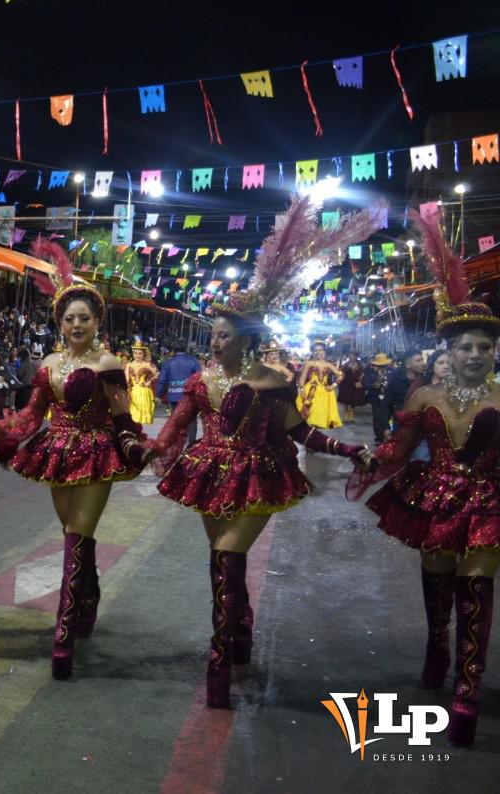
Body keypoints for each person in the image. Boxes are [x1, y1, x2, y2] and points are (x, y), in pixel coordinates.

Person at [149, 196, 377, 710]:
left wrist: (347, 449)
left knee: (229, 559)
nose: (215, 342)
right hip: (206, 473)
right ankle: (241, 631)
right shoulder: (202, 379)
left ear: (245, 338)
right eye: (213, 334)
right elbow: (177, 427)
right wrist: (146, 448)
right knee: (221, 563)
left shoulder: (271, 380)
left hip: (256, 475)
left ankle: (218, 664)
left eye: (223, 335)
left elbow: (300, 433)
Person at [351, 211, 500, 747]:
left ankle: (468, 686)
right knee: (439, 588)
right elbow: (399, 447)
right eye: (467, 347)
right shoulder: (425, 396)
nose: (477, 355)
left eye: (486, 347)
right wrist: (372, 457)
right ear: (449, 352)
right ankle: (438, 649)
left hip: (488, 503)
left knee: (476, 588)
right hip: (434, 500)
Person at [0, 237, 148, 679]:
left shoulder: (109, 362)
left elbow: (122, 415)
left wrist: (131, 446)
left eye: (84, 318)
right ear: (60, 322)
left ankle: (64, 633)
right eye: (69, 317)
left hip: (96, 452)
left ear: (96, 322)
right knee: (73, 533)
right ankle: (87, 597)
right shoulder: (48, 363)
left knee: (76, 535)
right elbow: (34, 414)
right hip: (56, 451)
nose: (76, 324)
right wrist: (4, 429)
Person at [156, 343, 201, 443]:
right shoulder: (193, 361)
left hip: (173, 395)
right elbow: (199, 378)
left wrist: (159, 394)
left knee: (175, 420)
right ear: (186, 349)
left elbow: (162, 380)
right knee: (192, 420)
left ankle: (177, 443)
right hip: (189, 396)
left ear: (173, 350)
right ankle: (191, 444)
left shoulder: (167, 363)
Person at [296, 342, 342, 428]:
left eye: (320, 350)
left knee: (319, 415)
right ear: (312, 352)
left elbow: (340, 375)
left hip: (324, 393)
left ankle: (314, 435)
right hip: (310, 392)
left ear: (324, 352)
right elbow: (302, 378)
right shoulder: (309, 363)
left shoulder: (328, 365)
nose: (318, 352)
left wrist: (333, 386)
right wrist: (301, 389)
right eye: (315, 350)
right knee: (309, 413)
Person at [125, 342, 158, 425]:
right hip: (133, 393)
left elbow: (158, 373)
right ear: (133, 354)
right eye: (135, 353)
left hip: (144, 393)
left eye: (140, 353)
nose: (137, 355)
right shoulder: (129, 365)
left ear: (143, 354)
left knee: (142, 421)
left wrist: (149, 381)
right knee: (132, 418)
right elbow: (126, 380)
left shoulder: (147, 364)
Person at [364, 353, 393, 443]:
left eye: (384, 365)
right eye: (380, 365)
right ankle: (379, 437)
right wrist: (373, 385)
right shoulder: (370, 372)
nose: (382, 367)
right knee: (377, 417)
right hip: (375, 397)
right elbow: (365, 384)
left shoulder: (391, 372)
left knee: (387, 417)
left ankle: (387, 435)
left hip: (388, 397)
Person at [338, 351, 367, 423]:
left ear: (355, 356)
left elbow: (362, 373)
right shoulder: (346, 364)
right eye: (349, 355)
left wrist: (360, 381)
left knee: (353, 401)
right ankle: (345, 417)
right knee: (346, 400)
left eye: (352, 355)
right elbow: (341, 372)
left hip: (355, 384)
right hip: (346, 384)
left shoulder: (359, 364)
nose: (350, 356)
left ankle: (351, 417)